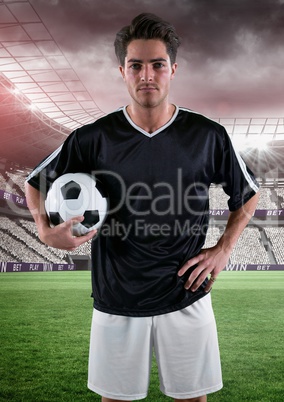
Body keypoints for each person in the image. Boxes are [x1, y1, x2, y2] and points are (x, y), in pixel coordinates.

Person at [25, 13, 260, 402]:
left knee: (192, 398)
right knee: (115, 400)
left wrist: (223, 250)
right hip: (116, 297)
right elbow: (36, 183)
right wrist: (44, 229)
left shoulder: (207, 135)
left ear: (173, 69)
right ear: (122, 71)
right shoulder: (91, 138)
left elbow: (248, 194)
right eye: (136, 65)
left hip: (187, 292)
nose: (147, 75)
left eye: (157, 65)